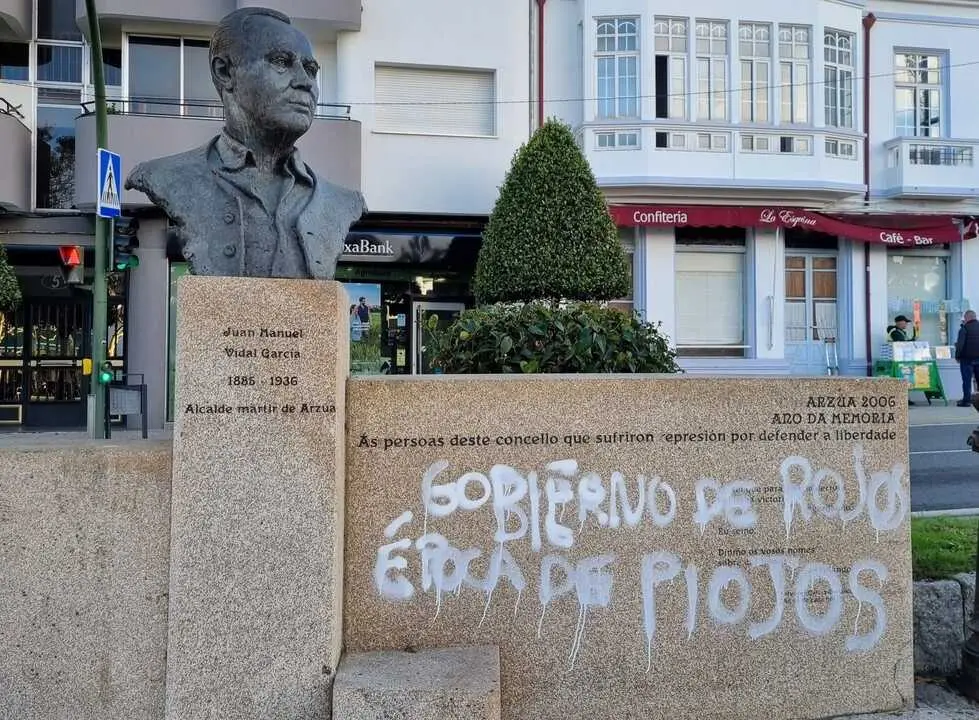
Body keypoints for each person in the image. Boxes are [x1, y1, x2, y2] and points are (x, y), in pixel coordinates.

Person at [125, 7, 366, 279]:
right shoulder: (167, 178)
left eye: (310, 70)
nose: (305, 82)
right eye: (281, 62)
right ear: (225, 72)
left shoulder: (341, 203)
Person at [954, 310, 979, 406]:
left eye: (965, 317)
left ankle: (967, 401)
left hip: (966, 360)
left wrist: (957, 356)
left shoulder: (964, 329)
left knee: (966, 381)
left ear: (967, 317)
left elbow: (960, 345)